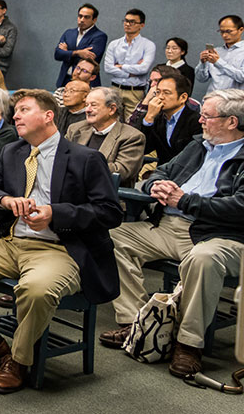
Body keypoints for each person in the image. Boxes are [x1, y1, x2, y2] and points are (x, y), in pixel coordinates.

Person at [0, 89, 122, 394]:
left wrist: (56, 213)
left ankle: (19, 360)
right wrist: (4, 199)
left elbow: (110, 212)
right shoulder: (13, 151)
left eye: (24, 110)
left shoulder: (86, 158)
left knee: (35, 289)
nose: (15, 116)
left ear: (48, 116)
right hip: (11, 242)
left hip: (59, 248)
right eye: (15, 111)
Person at [100, 89, 244, 380]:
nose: (200, 120)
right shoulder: (199, 145)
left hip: (219, 235)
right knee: (111, 236)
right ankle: (137, 323)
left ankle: (188, 344)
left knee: (203, 259)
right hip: (169, 226)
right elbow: (161, 170)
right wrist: (157, 185)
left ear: (232, 122)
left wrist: (185, 200)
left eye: (208, 116)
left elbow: (239, 207)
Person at [65, 87, 145, 187]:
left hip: (106, 196)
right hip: (71, 190)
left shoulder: (132, 137)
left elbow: (122, 171)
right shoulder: (75, 129)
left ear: (111, 109)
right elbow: (61, 157)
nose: (87, 110)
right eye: (86, 105)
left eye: (93, 105)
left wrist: (79, 165)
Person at [135, 73, 202, 166]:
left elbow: (194, 157)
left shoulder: (196, 121)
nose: (160, 97)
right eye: (158, 92)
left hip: (186, 172)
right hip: (162, 173)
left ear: (183, 97)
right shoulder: (155, 117)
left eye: (166, 93)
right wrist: (149, 118)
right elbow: (141, 149)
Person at [103, 8, 155, 120]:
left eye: (132, 22)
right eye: (126, 21)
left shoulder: (148, 45)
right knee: (110, 121)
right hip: (115, 89)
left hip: (135, 91)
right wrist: (130, 73)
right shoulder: (114, 44)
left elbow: (144, 69)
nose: (127, 24)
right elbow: (108, 68)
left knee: (132, 123)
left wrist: (121, 66)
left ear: (142, 25)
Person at [54, 3, 108, 88]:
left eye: (86, 17)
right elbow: (57, 54)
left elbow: (89, 59)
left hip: (85, 83)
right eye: (80, 16)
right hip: (65, 80)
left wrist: (67, 52)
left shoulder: (99, 36)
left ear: (94, 19)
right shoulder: (69, 33)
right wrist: (78, 52)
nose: (82, 20)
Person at [196, 15, 244, 91]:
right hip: (212, 97)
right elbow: (201, 79)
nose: (224, 35)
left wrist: (218, 62)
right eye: (222, 32)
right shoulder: (216, 51)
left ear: (241, 30)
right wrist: (203, 63)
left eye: (229, 31)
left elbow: (242, 77)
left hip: (233, 100)